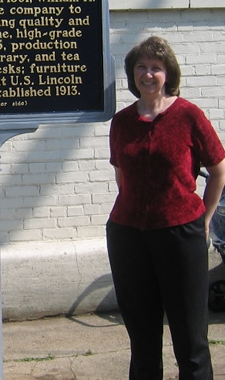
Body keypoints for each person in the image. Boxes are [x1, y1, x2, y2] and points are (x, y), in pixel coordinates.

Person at [107, 36, 225, 380]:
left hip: (180, 234)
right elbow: (122, 175)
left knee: (191, 342)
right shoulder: (123, 121)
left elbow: (218, 170)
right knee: (142, 342)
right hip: (128, 235)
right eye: (141, 67)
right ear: (133, 75)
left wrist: (204, 217)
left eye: (155, 68)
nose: (148, 74)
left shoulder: (188, 115)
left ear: (167, 73)